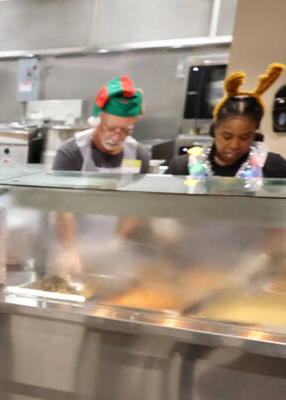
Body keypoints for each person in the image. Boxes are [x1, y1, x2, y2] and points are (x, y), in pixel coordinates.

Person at [51, 76, 153, 275]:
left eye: (125, 130)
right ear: (97, 120)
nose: (116, 137)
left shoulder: (139, 155)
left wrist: (119, 241)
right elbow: (62, 207)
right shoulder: (72, 152)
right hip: (72, 249)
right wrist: (70, 251)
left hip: (113, 251)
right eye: (110, 128)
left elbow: (136, 205)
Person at [166, 63, 286, 178]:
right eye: (227, 136)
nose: (234, 145)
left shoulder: (273, 166)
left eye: (245, 137)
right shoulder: (183, 166)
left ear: (255, 134)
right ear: (214, 130)